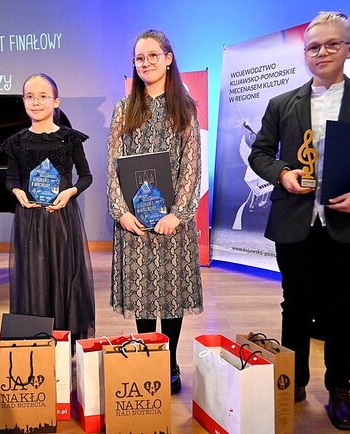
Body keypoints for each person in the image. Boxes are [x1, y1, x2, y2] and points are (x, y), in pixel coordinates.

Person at [249, 12, 350, 430]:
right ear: (305, 53)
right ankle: (293, 382)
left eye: (332, 44)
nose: (322, 53)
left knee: (343, 312)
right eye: (313, 46)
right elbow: (260, 152)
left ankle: (339, 389)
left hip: (349, 225)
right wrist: (283, 173)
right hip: (295, 223)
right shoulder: (282, 104)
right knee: (295, 306)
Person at [107, 29, 203, 395]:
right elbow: (113, 163)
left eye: (152, 56)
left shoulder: (185, 107)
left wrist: (177, 213)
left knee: (171, 294)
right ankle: (149, 357)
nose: (145, 63)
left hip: (172, 222)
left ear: (168, 58)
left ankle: (170, 361)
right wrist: (120, 211)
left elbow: (191, 165)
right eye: (139, 58)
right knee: (143, 294)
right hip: (134, 220)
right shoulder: (124, 108)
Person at [2, 73, 95, 345]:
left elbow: (86, 176)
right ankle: (37, 340)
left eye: (43, 96)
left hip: (62, 217)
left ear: (56, 101)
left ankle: (65, 339)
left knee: (64, 273)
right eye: (30, 97)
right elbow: (11, 178)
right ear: (23, 101)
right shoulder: (17, 142)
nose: (36, 102)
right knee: (34, 275)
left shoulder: (69, 139)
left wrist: (70, 192)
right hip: (30, 218)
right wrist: (17, 191)